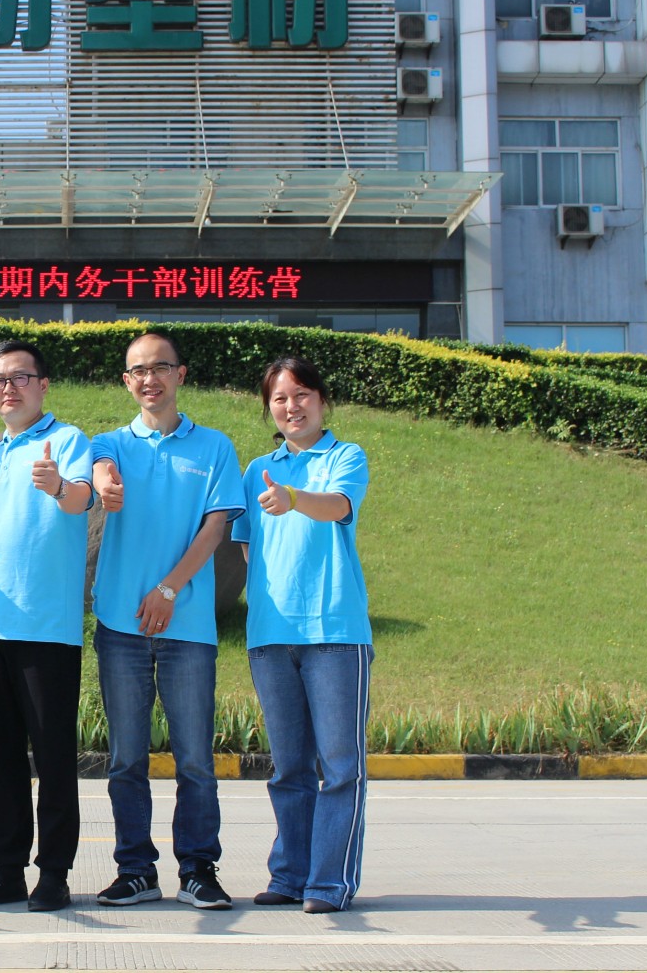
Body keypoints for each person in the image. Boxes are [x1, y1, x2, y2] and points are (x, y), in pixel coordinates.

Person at [89, 331, 245, 909]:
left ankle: (199, 870)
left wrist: (169, 588)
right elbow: (99, 470)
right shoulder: (109, 443)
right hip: (120, 627)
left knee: (195, 760)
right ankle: (136, 871)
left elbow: (215, 527)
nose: (149, 378)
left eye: (160, 367)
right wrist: (104, 481)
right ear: (126, 382)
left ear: (180, 375)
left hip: (188, 628)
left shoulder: (214, 447)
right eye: (138, 370)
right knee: (125, 759)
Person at [231, 355, 373, 915]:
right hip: (271, 635)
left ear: (322, 400)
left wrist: (293, 499)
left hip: (335, 631)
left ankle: (329, 883)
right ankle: (290, 875)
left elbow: (337, 506)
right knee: (289, 767)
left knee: (339, 767)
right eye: (280, 398)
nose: (292, 407)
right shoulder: (256, 470)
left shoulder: (345, 456)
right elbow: (248, 548)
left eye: (302, 395)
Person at [0, 340, 94, 913]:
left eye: (19, 377)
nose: (7, 388)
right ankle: (7, 869)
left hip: (46, 628)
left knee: (53, 756)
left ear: (42, 385)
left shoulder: (68, 440)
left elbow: (81, 500)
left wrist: (59, 485)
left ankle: (54, 874)